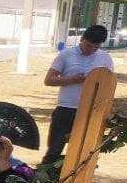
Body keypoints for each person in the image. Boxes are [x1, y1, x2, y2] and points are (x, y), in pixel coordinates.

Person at [41, 25, 113, 166]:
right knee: (54, 150)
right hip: (66, 109)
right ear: (82, 39)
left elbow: (109, 84)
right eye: (88, 45)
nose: (91, 50)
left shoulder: (105, 58)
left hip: (91, 111)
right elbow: (48, 80)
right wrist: (71, 79)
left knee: (83, 152)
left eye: (95, 47)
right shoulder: (66, 55)